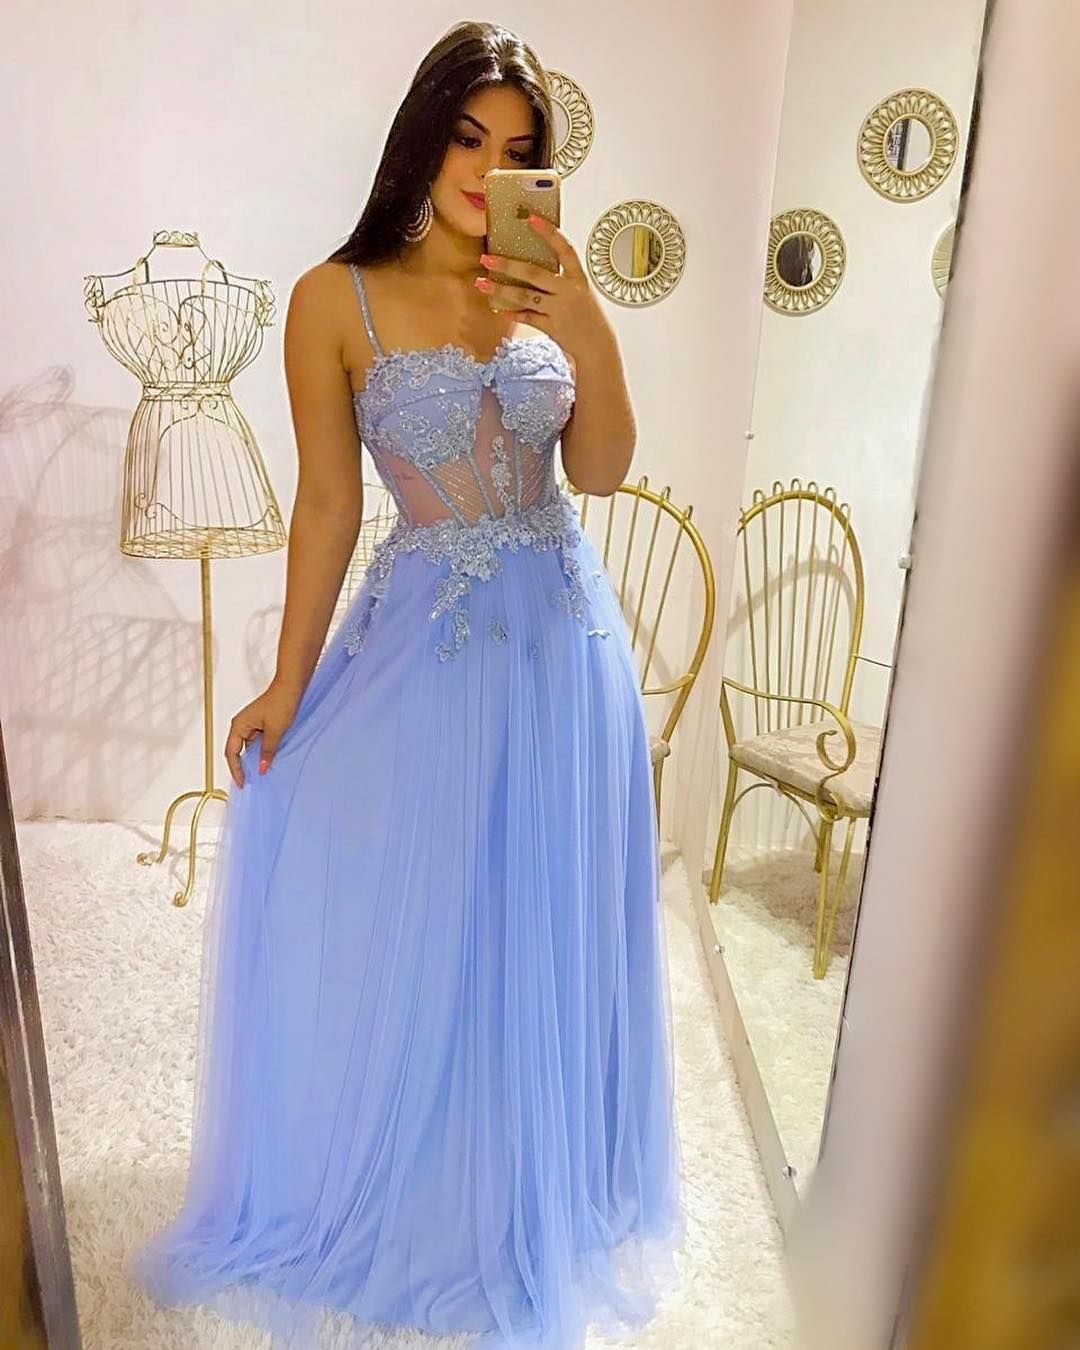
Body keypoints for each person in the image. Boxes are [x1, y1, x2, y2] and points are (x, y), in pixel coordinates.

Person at [129, 19, 686, 1349]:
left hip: (566, 643)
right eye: (467, 137)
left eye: (520, 148)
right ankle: (424, 1170)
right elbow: (328, 503)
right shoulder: (337, 299)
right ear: (422, 140)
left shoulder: (546, 287)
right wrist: (285, 683)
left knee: (548, 912)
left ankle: (545, 1174)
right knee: (427, 899)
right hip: (430, 644)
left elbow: (603, 469)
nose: (488, 168)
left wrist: (581, 313)